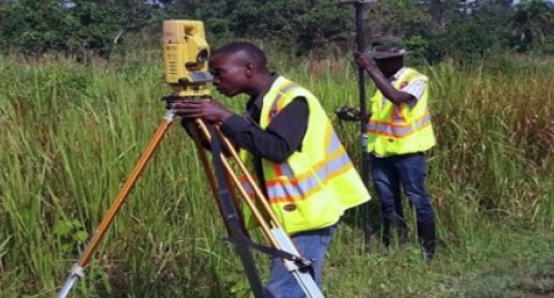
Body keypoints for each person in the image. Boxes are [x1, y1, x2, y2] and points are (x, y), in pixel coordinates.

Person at [173, 41, 371, 297]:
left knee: (285, 291)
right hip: (284, 213)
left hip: (308, 212)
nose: (214, 80)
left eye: (219, 72)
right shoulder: (260, 103)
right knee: (300, 288)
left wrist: (224, 116)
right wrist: (193, 123)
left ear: (249, 68)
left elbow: (276, 149)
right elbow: (231, 146)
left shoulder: (292, 99)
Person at [353, 36, 437, 260]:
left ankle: (428, 250)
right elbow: (382, 116)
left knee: (417, 199)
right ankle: (398, 242)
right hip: (381, 152)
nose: (379, 64)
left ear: (396, 58)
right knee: (388, 201)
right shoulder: (382, 81)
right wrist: (359, 116)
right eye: (376, 61)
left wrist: (370, 69)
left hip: (408, 153)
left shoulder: (417, 79)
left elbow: (397, 98)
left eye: (382, 60)